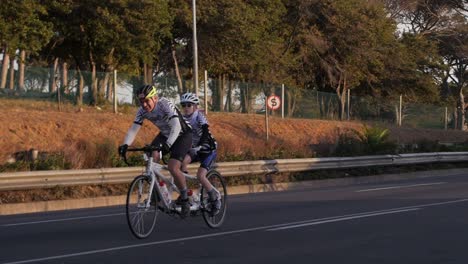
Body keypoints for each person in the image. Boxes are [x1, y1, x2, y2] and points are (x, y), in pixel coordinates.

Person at [118, 84, 193, 217]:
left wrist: (168, 145)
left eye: (147, 100)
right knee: (151, 157)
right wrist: (125, 145)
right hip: (165, 134)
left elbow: (176, 126)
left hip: (182, 134)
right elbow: (134, 129)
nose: (144, 104)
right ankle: (159, 191)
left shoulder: (164, 104)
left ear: (155, 98)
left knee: (173, 167)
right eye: (141, 101)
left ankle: (185, 198)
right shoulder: (141, 111)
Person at [179, 92, 221, 213]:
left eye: (189, 105)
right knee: (181, 164)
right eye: (183, 105)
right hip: (194, 149)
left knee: (200, 175)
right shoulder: (182, 118)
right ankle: (186, 192)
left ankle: (214, 197)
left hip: (208, 149)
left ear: (195, 107)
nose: (186, 108)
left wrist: (200, 145)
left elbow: (205, 132)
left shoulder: (199, 116)